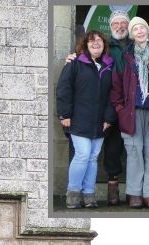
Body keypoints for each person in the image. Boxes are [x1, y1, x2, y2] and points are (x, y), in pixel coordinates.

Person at [110, 16, 149, 209]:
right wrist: (120, 108)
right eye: (135, 29)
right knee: (134, 152)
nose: (140, 32)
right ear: (132, 34)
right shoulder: (124, 57)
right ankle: (134, 193)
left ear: (147, 31)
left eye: (142, 28)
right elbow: (116, 86)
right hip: (131, 113)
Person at [56, 30, 114, 209]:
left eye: (99, 41)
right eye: (91, 41)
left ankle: (89, 194)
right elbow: (63, 89)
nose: (96, 43)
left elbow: (114, 94)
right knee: (82, 155)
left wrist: (109, 117)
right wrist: (64, 114)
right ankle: (73, 193)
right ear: (85, 45)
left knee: (93, 158)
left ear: (104, 45)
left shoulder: (109, 66)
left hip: (100, 121)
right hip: (79, 119)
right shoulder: (75, 63)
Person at [104, 10, 132, 205]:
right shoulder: (105, 46)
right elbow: (88, 58)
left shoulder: (137, 44)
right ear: (111, 27)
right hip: (112, 103)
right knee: (113, 148)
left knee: (135, 149)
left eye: (123, 24)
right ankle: (113, 188)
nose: (120, 27)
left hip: (134, 105)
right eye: (116, 24)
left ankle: (134, 189)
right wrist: (73, 56)